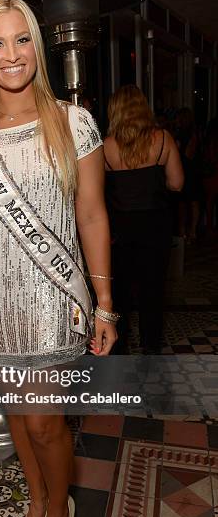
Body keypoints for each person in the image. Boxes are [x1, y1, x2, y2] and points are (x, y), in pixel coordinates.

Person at [0, 0, 117, 517]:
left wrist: (105, 305)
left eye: (22, 39)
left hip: (52, 303)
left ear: (37, 49)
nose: (11, 54)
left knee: (43, 419)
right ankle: (39, 500)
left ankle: (62, 510)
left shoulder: (74, 122)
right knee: (17, 416)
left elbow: (93, 215)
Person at [104, 85, 184, 354]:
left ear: (115, 111)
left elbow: (97, 192)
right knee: (153, 294)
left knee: (120, 296)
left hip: (120, 231)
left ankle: (119, 352)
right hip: (156, 228)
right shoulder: (162, 139)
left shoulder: (107, 147)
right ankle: (151, 354)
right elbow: (177, 184)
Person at [175, 107, 202, 242]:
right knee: (191, 202)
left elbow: (188, 154)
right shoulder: (195, 132)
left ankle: (185, 231)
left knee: (186, 203)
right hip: (192, 171)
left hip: (186, 170)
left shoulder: (186, 134)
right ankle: (191, 231)